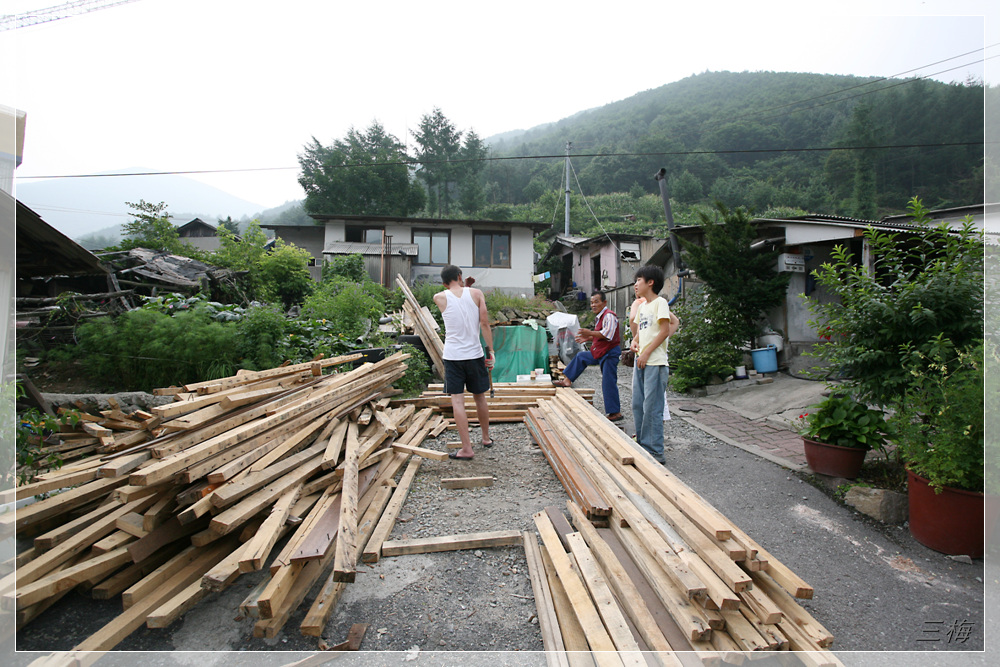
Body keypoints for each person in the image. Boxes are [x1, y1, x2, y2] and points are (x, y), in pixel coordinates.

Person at [433, 265, 495, 460]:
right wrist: (491, 351)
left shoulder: (439, 297)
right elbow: (484, 323)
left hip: (453, 357)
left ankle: (467, 448)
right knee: (480, 397)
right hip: (475, 354)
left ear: (443, 282)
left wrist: (462, 285)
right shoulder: (477, 293)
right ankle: (485, 438)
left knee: (457, 401)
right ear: (460, 276)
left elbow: (455, 298)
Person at [629, 265, 678, 464]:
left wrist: (647, 352)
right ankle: (642, 444)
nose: (635, 284)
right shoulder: (642, 307)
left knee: (652, 407)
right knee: (638, 404)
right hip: (641, 361)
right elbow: (643, 330)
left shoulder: (661, 303)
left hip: (655, 363)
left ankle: (655, 451)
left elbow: (665, 330)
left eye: (638, 280)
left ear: (650, 282)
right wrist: (635, 341)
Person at [552, 291, 623, 422]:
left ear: (604, 303)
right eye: (591, 302)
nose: (593, 305)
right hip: (601, 351)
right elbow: (600, 335)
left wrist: (590, 333)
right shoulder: (600, 317)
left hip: (609, 353)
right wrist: (588, 338)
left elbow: (608, 335)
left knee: (608, 381)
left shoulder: (609, 316)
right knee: (581, 357)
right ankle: (567, 381)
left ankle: (615, 412)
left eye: (596, 302)